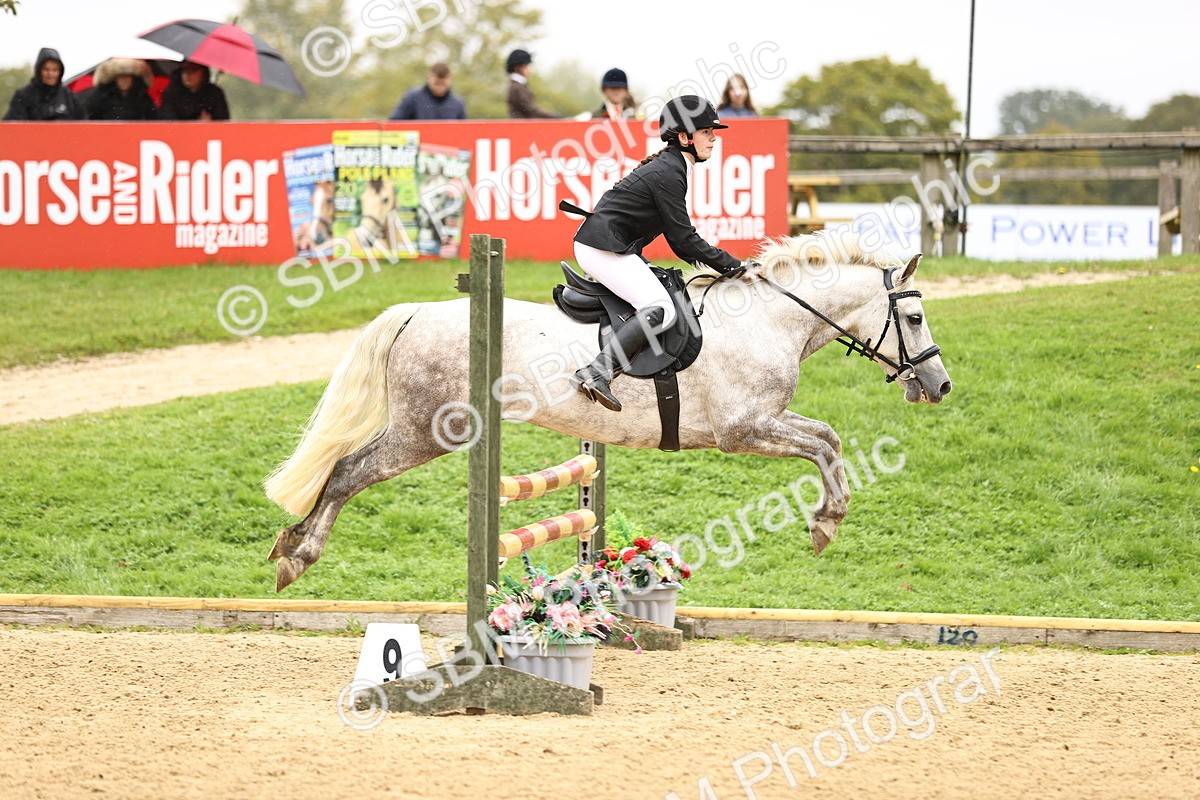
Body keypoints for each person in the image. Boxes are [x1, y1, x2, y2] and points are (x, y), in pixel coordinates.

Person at [569, 95, 748, 412]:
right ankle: (597, 372)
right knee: (660, 308)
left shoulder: (673, 166)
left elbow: (680, 242)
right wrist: (735, 267)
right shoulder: (669, 172)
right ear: (685, 137)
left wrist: (729, 266)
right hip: (601, 248)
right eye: (707, 132)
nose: (714, 138)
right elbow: (684, 239)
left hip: (607, 244)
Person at [4, 47, 85, 121]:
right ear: (39, 70)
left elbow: (83, 123)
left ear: (60, 72)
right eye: (46, 69)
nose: (50, 74)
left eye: (55, 70)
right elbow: (14, 125)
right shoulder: (23, 95)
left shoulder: (68, 95)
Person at [388, 62, 467, 120]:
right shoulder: (413, 97)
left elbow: (464, 130)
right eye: (436, 84)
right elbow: (395, 123)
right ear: (428, 77)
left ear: (450, 79)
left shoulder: (457, 103)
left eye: (443, 84)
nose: (439, 87)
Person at [86, 58, 157, 121]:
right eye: (121, 77)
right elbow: (91, 119)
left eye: (127, 76)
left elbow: (153, 118)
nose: (124, 80)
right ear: (114, 79)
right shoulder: (101, 97)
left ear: (133, 79)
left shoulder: (142, 97)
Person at [159, 61, 230, 121]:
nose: (188, 74)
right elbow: (168, 122)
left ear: (203, 72)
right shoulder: (171, 94)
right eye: (184, 69)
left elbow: (223, 121)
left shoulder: (214, 94)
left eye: (193, 69)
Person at [506, 48, 557, 119]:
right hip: (521, 127)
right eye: (526, 66)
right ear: (517, 67)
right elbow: (530, 110)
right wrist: (553, 116)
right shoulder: (516, 87)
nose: (529, 69)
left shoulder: (520, 85)